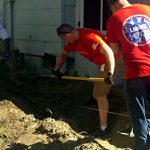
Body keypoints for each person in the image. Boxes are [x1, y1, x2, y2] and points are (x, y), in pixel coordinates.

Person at [53, 23, 115, 137]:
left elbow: (109, 52)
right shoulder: (73, 42)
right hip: (101, 62)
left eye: (63, 38)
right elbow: (62, 54)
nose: (64, 41)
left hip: (111, 60)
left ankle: (103, 128)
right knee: (99, 85)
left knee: (100, 93)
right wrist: (56, 70)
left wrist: (110, 73)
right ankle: (94, 99)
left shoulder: (89, 37)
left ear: (67, 35)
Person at [106, 0, 150, 149]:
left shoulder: (114, 19)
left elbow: (116, 52)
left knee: (139, 117)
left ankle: (142, 146)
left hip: (135, 73)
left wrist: (112, 73)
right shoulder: (147, 9)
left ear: (113, 6)